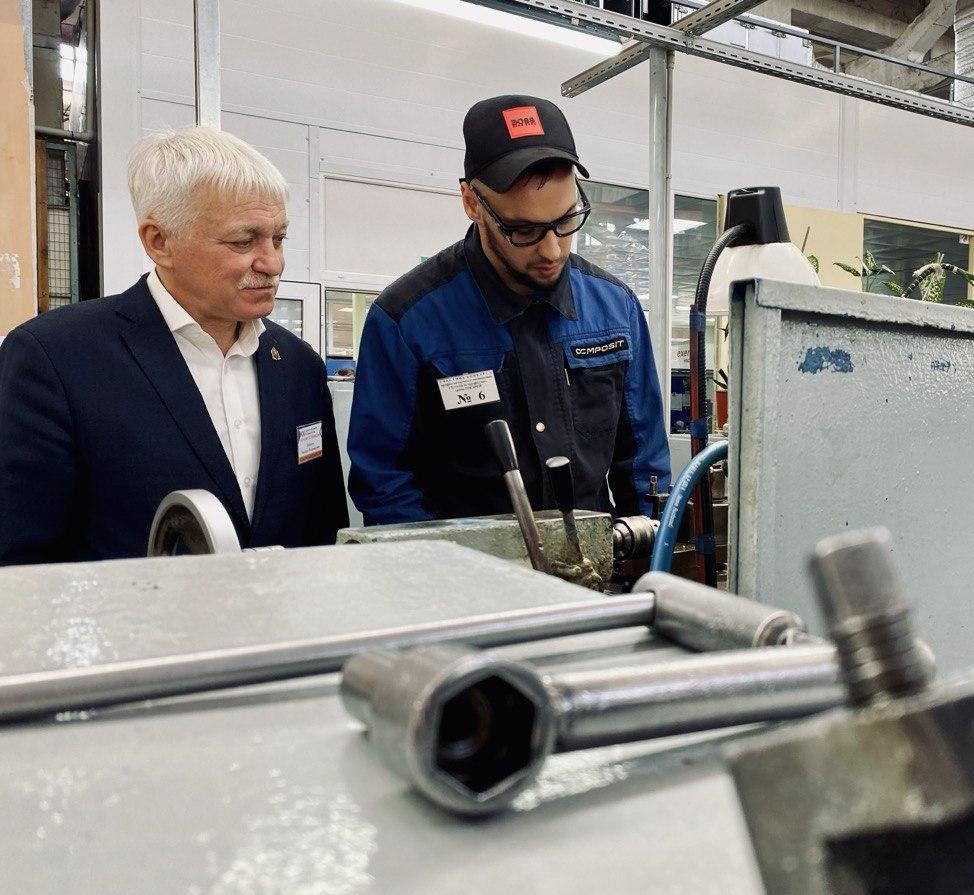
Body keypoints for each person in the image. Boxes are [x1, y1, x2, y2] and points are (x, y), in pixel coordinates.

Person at [0, 127, 348, 564]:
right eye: (244, 241)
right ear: (159, 241)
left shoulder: (298, 366)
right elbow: (20, 558)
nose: (273, 262)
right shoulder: (55, 359)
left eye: (278, 238)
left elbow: (323, 527)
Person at [348, 95, 670, 525]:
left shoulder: (616, 310)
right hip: (466, 565)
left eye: (566, 221)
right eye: (523, 230)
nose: (552, 250)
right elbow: (385, 483)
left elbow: (645, 467)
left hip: (598, 562)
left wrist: (646, 551)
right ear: (471, 202)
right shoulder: (407, 323)